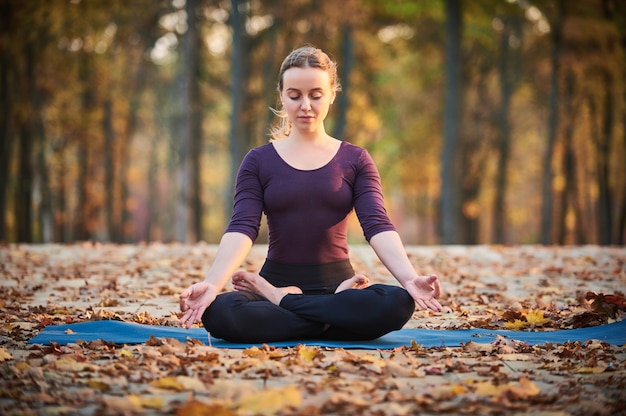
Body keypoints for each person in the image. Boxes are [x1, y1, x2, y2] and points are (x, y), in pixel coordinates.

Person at [179, 45, 442, 343]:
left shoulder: (355, 159)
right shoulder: (258, 160)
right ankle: (327, 321)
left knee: (397, 301)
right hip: (286, 285)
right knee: (220, 313)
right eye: (295, 95)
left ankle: (286, 304)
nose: (305, 105)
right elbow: (242, 227)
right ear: (281, 95)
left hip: (339, 288)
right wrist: (213, 284)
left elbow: (377, 225)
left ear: (331, 94)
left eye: (316, 95)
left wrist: (409, 279)